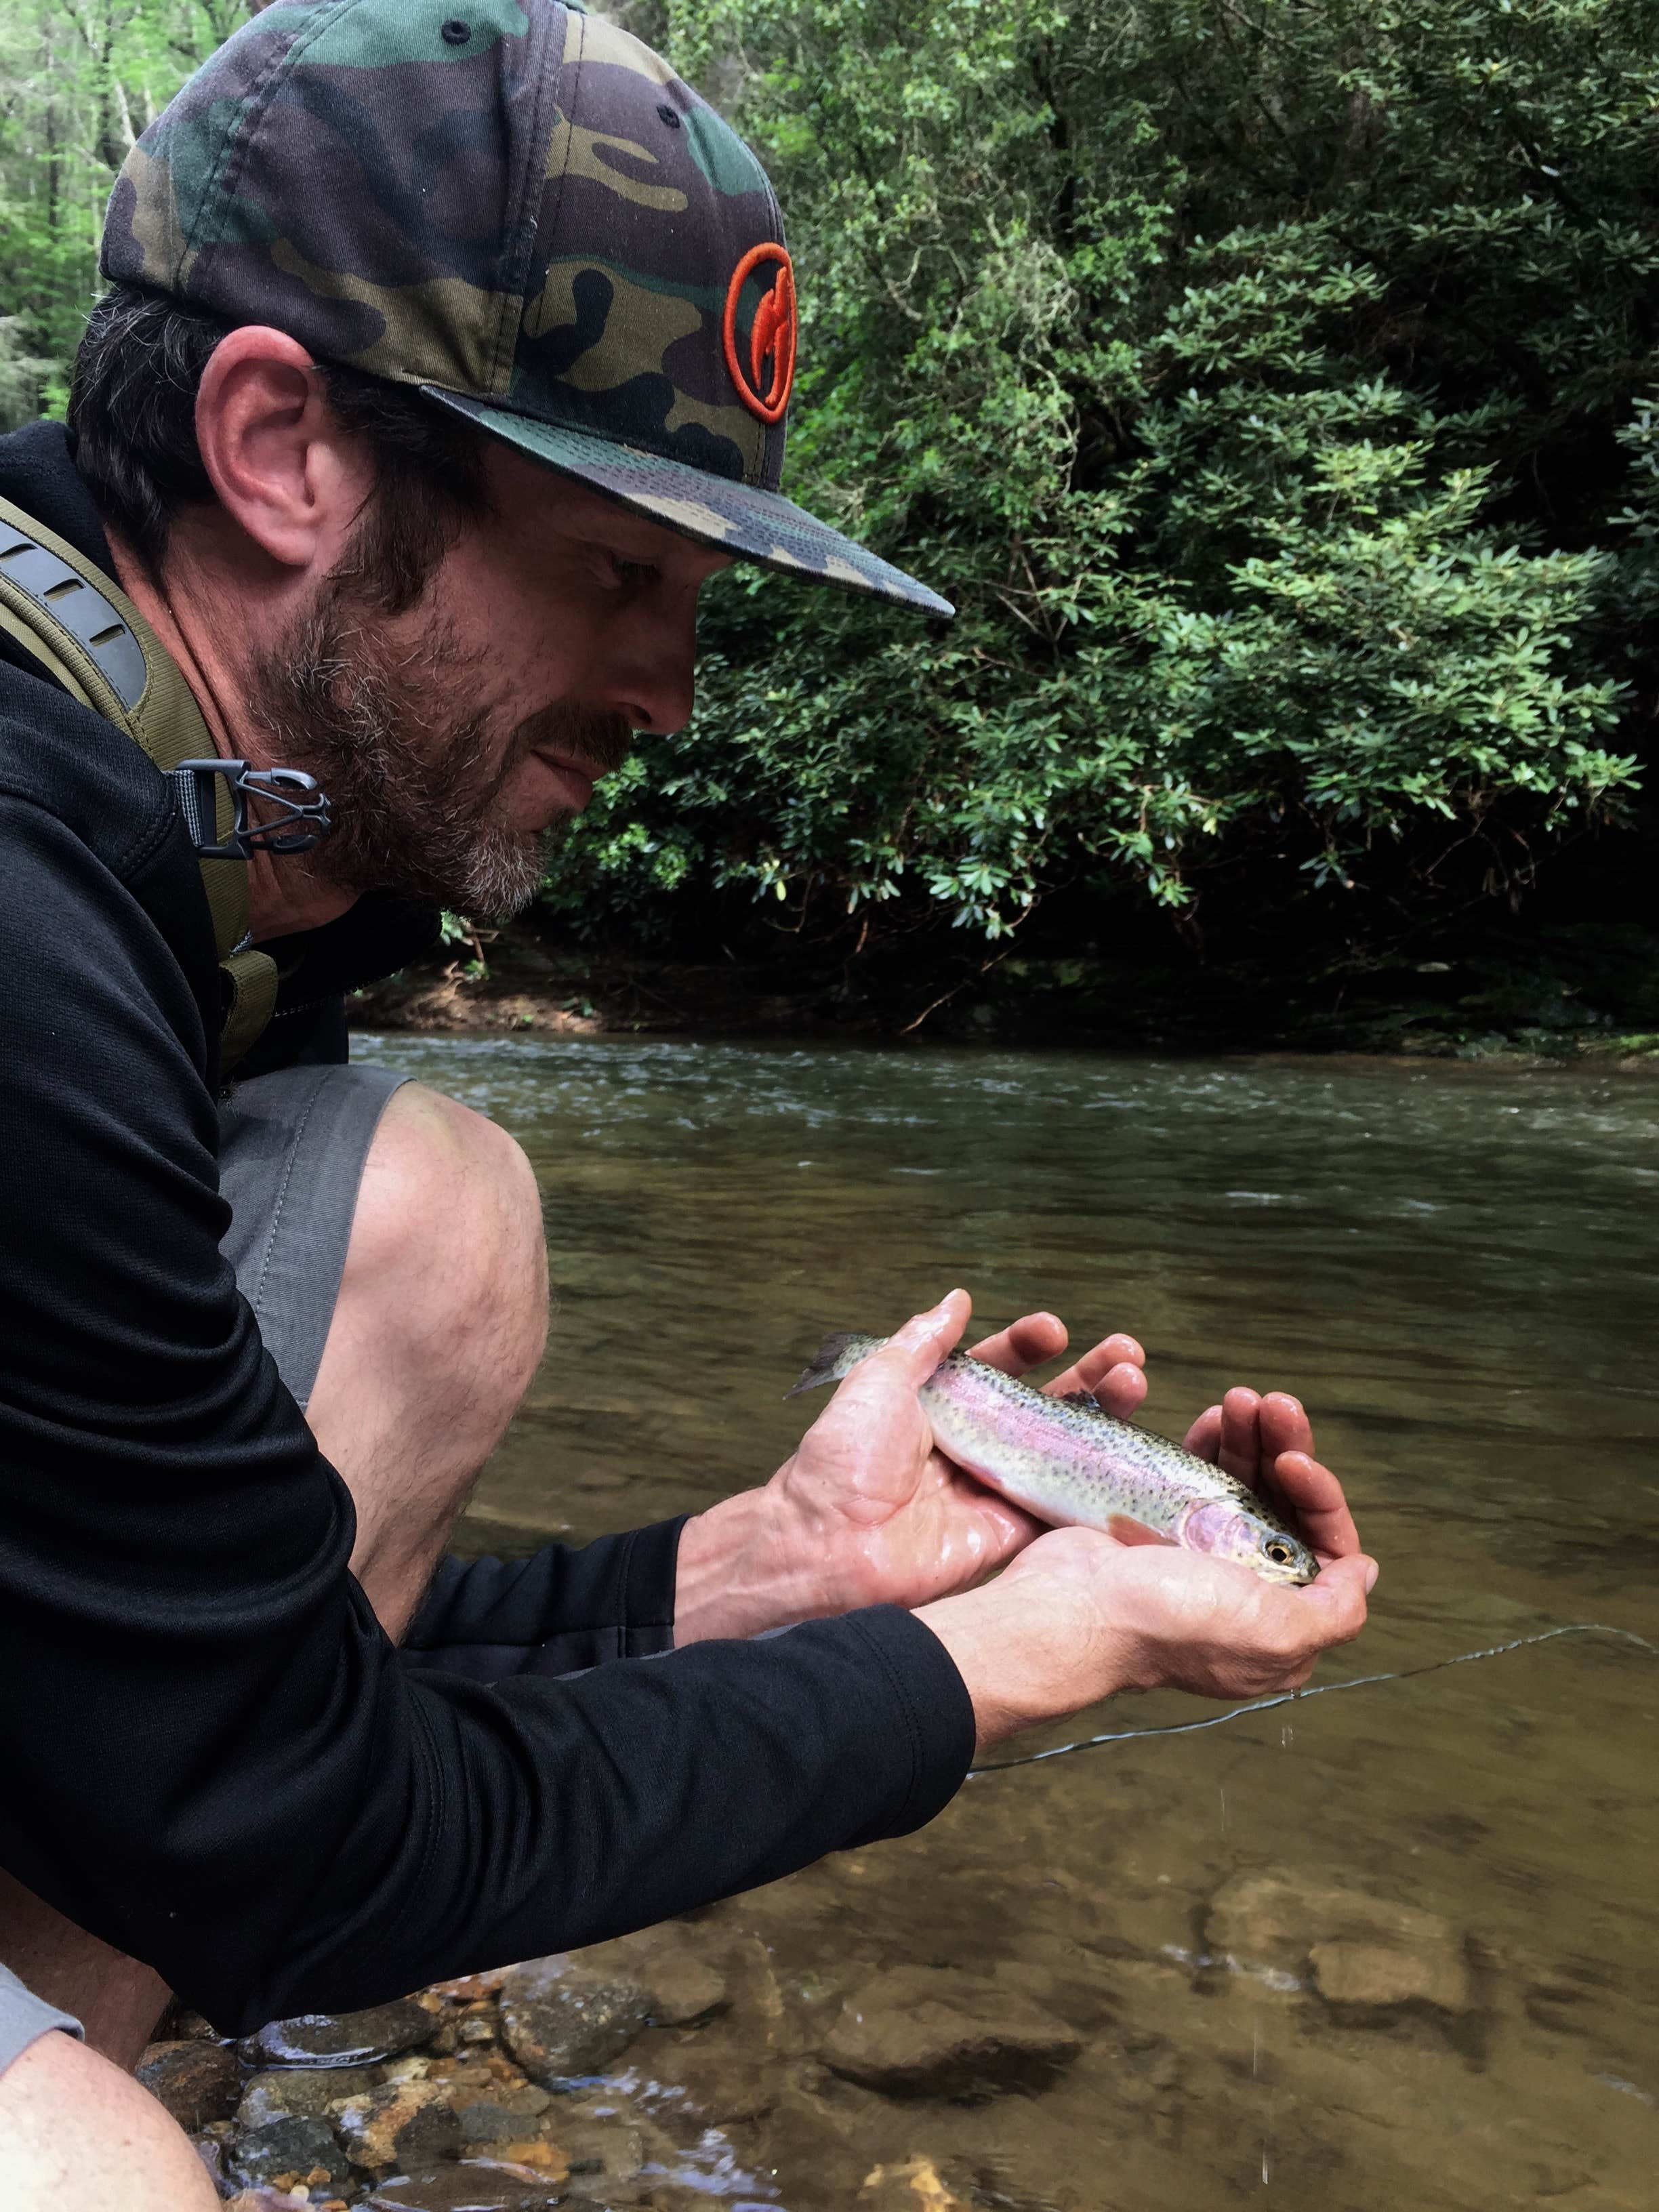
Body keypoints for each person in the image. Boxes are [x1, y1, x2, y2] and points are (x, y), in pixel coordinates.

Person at [0, 2, 1376, 2198]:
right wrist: (1023, 1656)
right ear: (281, 444)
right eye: (622, 575)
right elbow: (315, 1843)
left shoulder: (194, 839)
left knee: (425, 1213)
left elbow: (191, 1663)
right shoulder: (29, 909)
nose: (672, 691)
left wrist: (770, 1571)